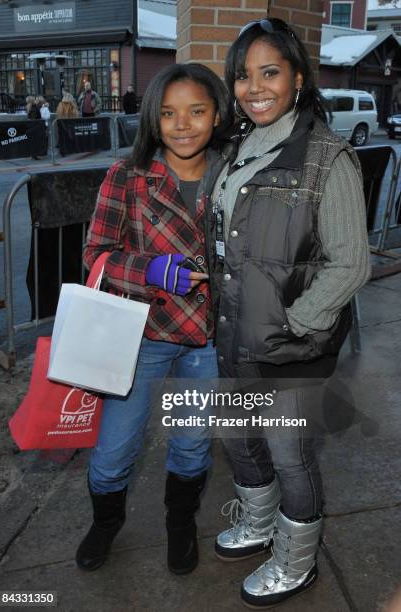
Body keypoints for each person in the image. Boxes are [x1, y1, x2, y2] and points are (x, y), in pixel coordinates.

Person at [207, 18, 371, 608]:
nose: (254, 87)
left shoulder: (329, 157)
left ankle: (297, 561)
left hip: (290, 345)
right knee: (236, 435)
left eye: (269, 72)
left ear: (298, 78)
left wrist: (293, 325)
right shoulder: (237, 145)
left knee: (288, 455)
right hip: (234, 331)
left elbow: (351, 265)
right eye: (243, 75)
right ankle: (257, 522)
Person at [78, 63, 232, 576]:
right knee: (114, 448)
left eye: (196, 111)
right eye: (168, 113)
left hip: (209, 338)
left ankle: (180, 523)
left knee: (191, 444)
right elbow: (96, 255)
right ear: (153, 118)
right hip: (141, 336)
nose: (182, 124)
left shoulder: (232, 174)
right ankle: (106, 522)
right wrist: (154, 271)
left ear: (216, 115)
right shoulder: (127, 175)